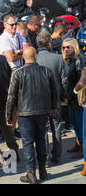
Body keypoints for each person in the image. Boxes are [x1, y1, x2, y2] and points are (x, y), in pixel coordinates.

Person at [6, 46, 58, 184]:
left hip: (25, 113)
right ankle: (42, 170)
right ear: (36, 56)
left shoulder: (18, 73)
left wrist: (9, 116)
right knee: (41, 140)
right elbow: (55, 91)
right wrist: (54, 107)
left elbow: (11, 96)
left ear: (23, 57)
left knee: (28, 142)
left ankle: (31, 172)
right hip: (42, 111)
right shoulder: (46, 71)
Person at [35, 31, 64, 165]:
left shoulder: (33, 60)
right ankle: (56, 156)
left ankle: (44, 158)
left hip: (39, 99)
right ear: (49, 44)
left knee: (42, 129)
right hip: (55, 98)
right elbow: (64, 81)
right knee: (56, 127)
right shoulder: (58, 58)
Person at [61, 38, 85, 159]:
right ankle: (78, 144)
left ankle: (82, 148)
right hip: (70, 97)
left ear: (74, 47)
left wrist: (75, 91)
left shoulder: (78, 60)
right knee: (74, 123)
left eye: (68, 47)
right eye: (64, 47)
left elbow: (82, 79)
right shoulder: (68, 60)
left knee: (80, 123)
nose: (65, 49)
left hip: (78, 97)